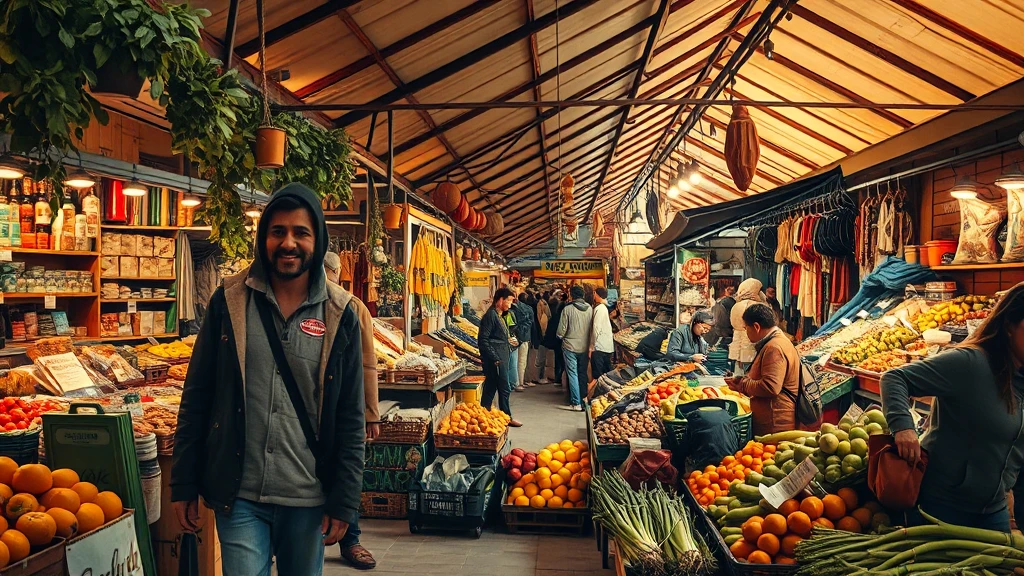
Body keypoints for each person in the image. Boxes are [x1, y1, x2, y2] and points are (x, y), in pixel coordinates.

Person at [171, 183, 371, 575]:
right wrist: (183, 483)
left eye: (301, 232)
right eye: (278, 231)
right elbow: (197, 395)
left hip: (308, 497)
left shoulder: (340, 313)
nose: (288, 243)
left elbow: (350, 417)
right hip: (239, 494)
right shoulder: (228, 301)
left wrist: (344, 500)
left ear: (317, 239)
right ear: (264, 238)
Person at [880, 283, 1024, 531]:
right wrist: (903, 428)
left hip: (993, 511)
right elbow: (894, 379)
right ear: (1010, 325)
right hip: (941, 507)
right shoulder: (972, 364)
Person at [325, 251, 381, 569]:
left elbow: (367, 363)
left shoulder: (352, 306)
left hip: (344, 405)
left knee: (345, 470)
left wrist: (370, 412)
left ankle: (351, 539)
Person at [726, 303, 799, 435]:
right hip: (773, 418)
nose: (746, 333)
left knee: (769, 455)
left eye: (746, 328)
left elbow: (771, 387)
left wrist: (743, 384)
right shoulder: (777, 342)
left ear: (756, 327)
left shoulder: (774, 347)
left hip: (775, 422)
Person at [479, 288, 523, 427]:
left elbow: (497, 337)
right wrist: (495, 358)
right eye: (508, 300)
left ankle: (483, 414)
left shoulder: (500, 316)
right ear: (500, 300)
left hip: (500, 356)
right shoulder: (491, 315)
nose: (510, 304)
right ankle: (506, 417)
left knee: (491, 388)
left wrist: (510, 341)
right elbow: (483, 340)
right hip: (496, 359)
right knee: (504, 388)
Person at [557, 285, 593, 412]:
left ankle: (575, 402)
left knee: (572, 374)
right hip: (585, 346)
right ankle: (584, 399)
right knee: (582, 373)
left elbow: (561, 331)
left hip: (570, 346)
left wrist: (561, 336)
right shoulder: (590, 309)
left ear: (572, 296)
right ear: (583, 296)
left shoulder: (567, 309)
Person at [729, 278, 766, 374]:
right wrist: (762, 303)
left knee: (738, 374)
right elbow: (768, 321)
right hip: (751, 345)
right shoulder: (755, 306)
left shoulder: (736, 305)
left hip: (737, 345)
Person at [512, 293, 534, 392]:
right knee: (521, 361)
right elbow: (531, 323)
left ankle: (515, 382)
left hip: (512, 337)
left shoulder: (509, 309)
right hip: (524, 337)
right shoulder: (528, 308)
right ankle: (520, 382)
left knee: (513, 361)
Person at [543, 291, 566, 388]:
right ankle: (562, 378)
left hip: (556, 340)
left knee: (558, 359)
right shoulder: (564, 316)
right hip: (563, 341)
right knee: (563, 361)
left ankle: (557, 378)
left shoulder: (554, 316)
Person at [590, 287, 614, 379]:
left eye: (594, 293)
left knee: (598, 375)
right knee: (606, 374)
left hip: (600, 347)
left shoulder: (600, 308)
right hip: (606, 347)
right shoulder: (603, 308)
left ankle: (598, 392)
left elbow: (596, 328)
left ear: (597, 294)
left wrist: (591, 346)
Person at [533, 291, 551, 383]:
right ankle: (539, 377)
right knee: (541, 358)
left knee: (540, 357)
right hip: (544, 336)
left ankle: (538, 376)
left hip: (541, 335)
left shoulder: (541, 304)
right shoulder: (544, 305)